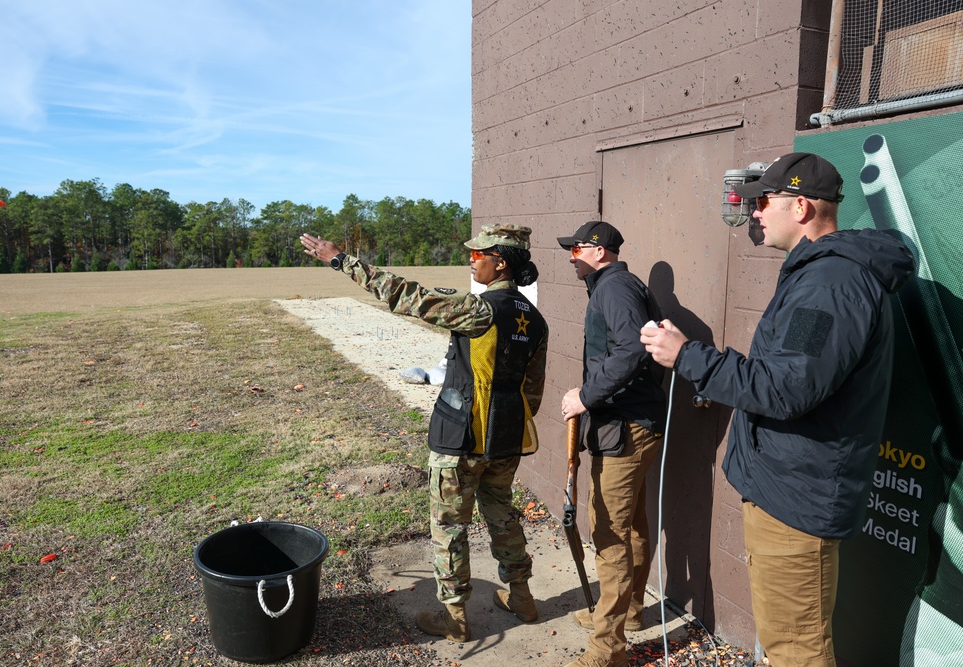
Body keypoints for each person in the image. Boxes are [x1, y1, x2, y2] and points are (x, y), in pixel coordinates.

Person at [640, 152, 915, 667]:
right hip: (788, 489)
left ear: (803, 207)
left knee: (798, 652)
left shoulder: (830, 285)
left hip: (797, 500)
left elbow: (786, 388)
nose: (755, 213)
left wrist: (688, 356)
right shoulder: (819, 276)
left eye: (764, 202)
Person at [299, 224, 548, 642]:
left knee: (449, 527)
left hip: (461, 440)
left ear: (499, 261)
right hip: (506, 440)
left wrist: (342, 261)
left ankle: (455, 618)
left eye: (477, 256)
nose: (471, 263)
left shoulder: (479, 309)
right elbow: (533, 392)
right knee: (503, 516)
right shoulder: (535, 320)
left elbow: (405, 295)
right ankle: (522, 598)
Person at [557, 220, 666, 667]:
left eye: (578, 249)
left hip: (625, 428)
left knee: (609, 534)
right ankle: (631, 612)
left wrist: (584, 395)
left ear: (599, 251)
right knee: (634, 524)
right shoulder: (616, 285)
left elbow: (633, 350)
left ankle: (608, 651)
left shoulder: (614, 289)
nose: (571, 256)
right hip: (633, 423)